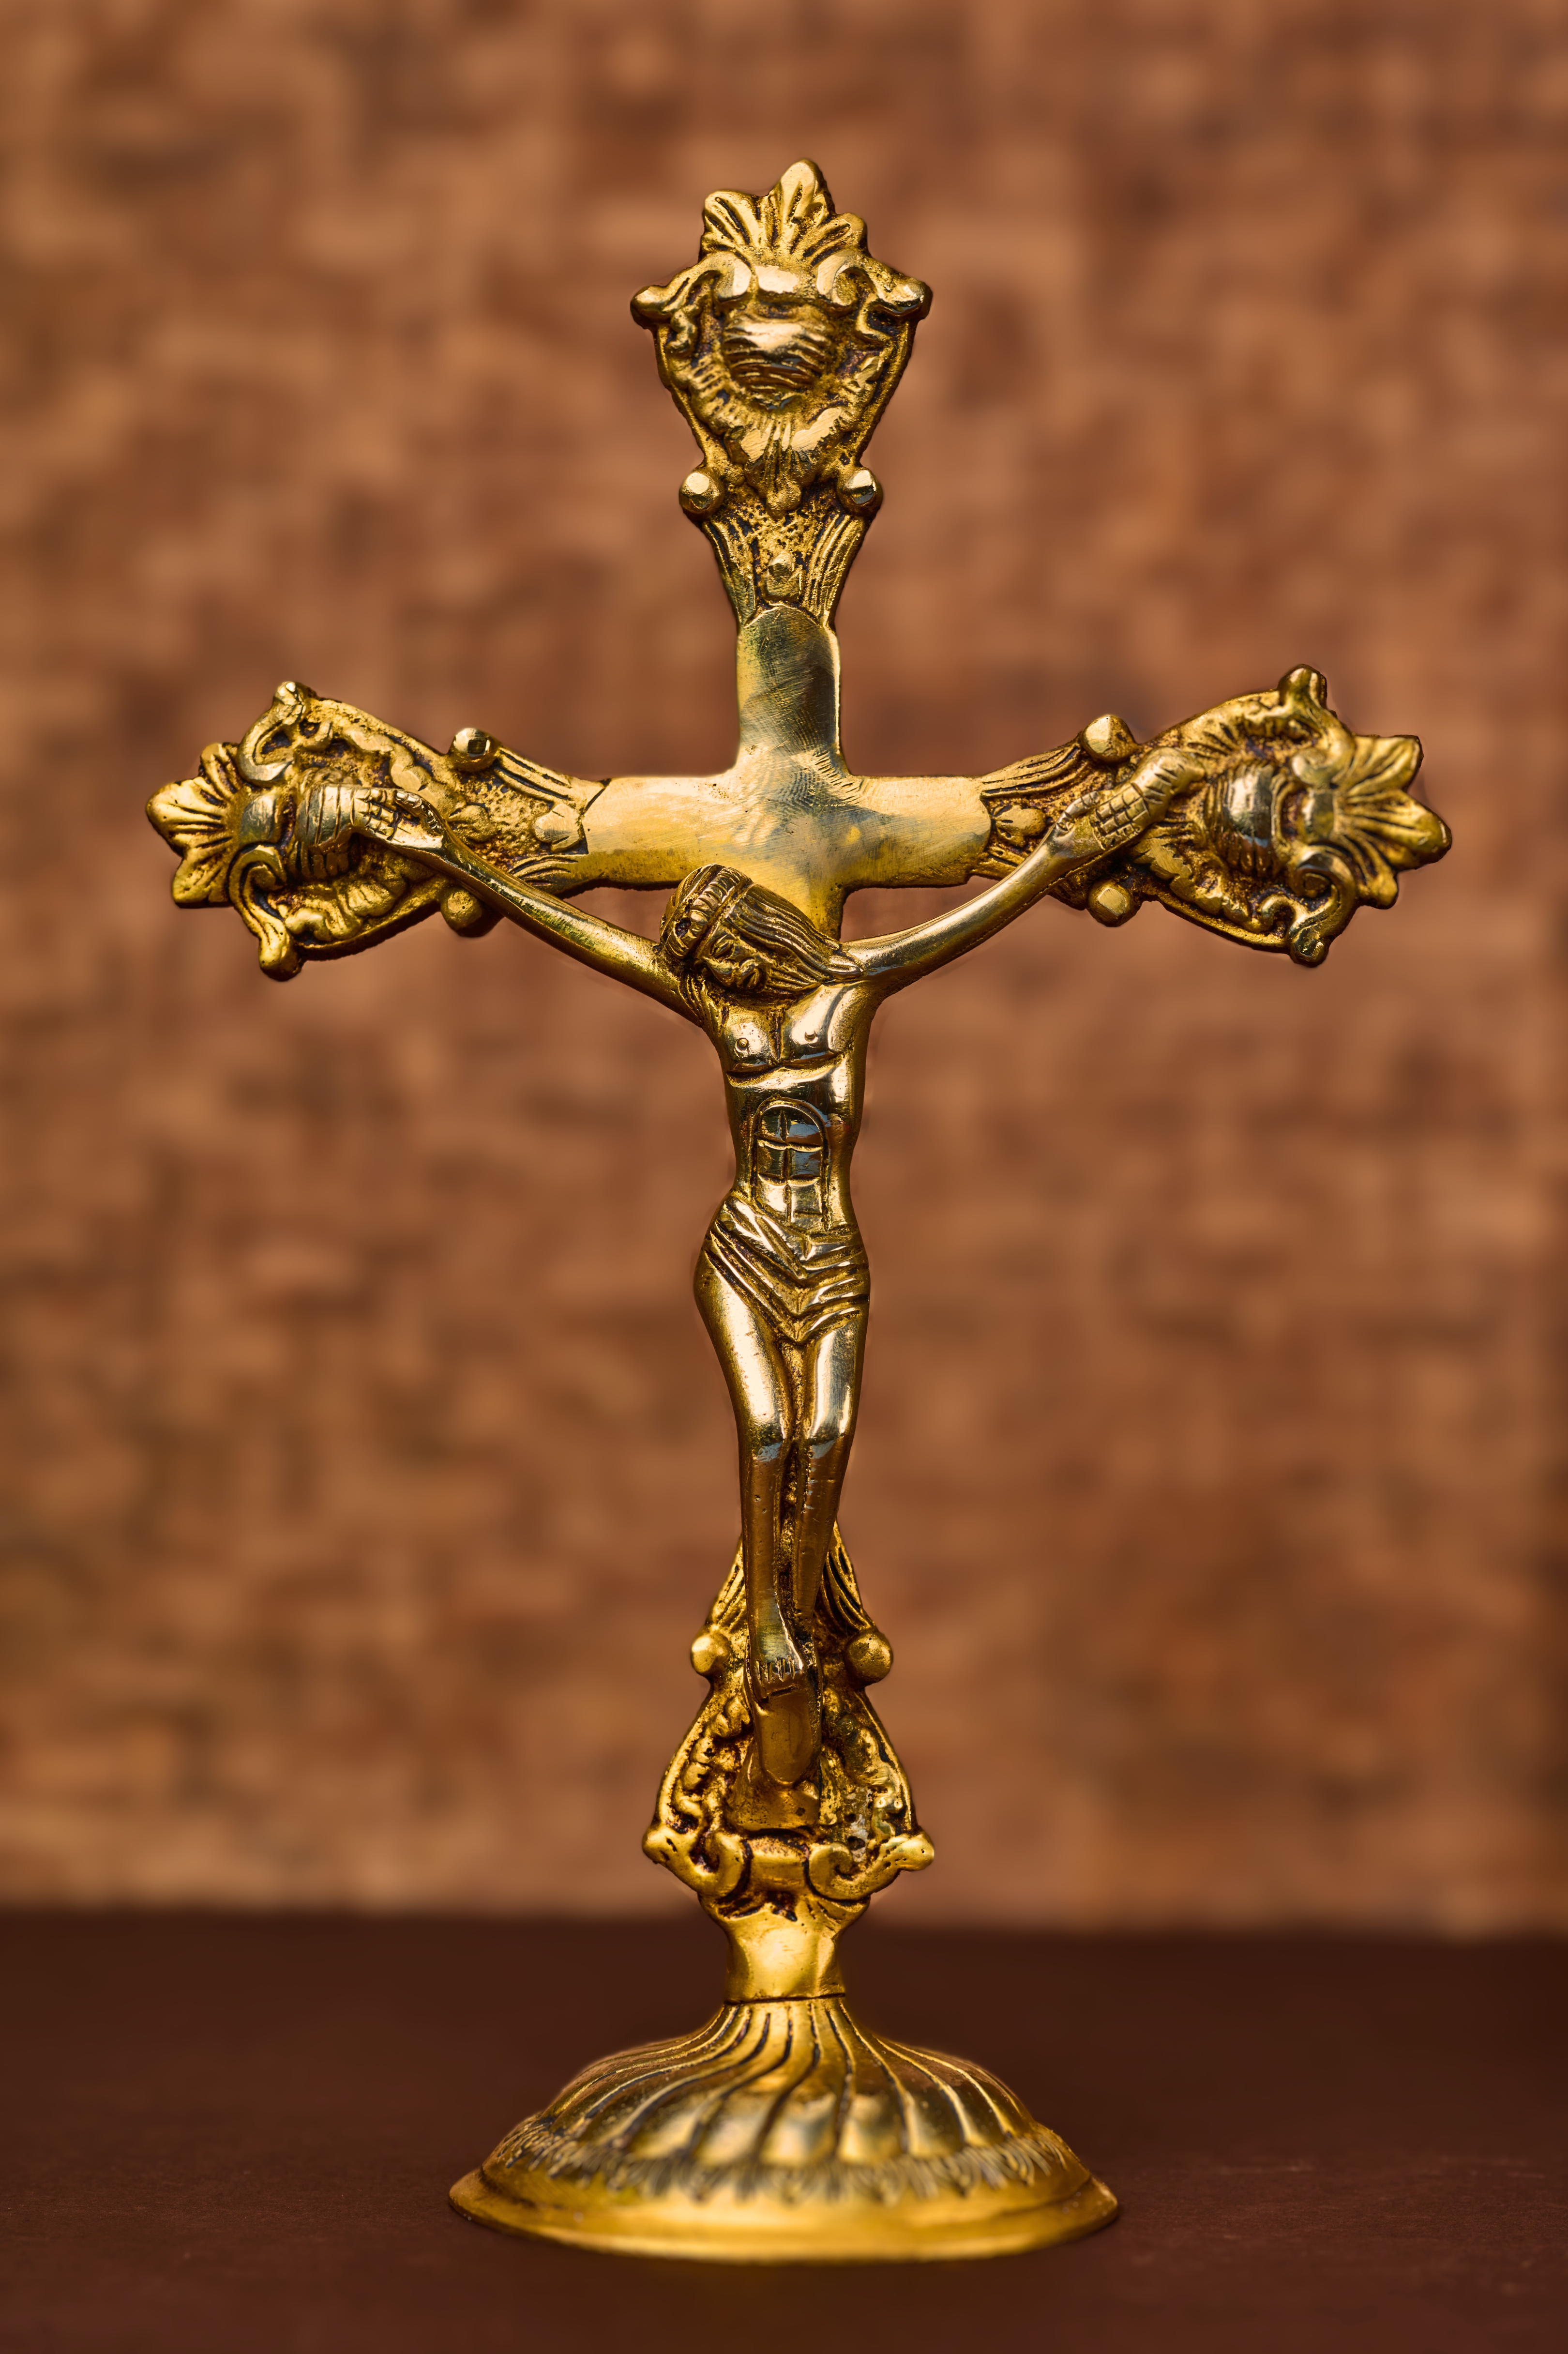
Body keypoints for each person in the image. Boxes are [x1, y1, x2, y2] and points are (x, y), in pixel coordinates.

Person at [340, 753, 1184, 1807]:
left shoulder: (851, 988)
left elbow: (973, 919)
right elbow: (592, 940)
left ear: (753, 934)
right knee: (772, 1435)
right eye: (701, 960)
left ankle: (794, 1608)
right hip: (745, 1246)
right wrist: (458, 860)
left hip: (829, 1256)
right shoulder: (722, 1017)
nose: (715, 970)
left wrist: (1066, 850)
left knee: (825, 1435)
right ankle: (775, 1626)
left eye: (720, 948)